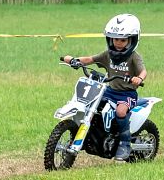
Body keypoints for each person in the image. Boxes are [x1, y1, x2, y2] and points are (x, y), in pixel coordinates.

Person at [62, 13, 147, 161]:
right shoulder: (108, 54)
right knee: (92, 106)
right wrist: (74, 60)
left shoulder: (134, 57)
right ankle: (90, 136)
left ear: (131, 40)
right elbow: (91, 59)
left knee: (121, 111)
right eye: (115, 39)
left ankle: (125, 143)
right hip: (110, 91)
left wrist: (138, 78)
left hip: (127, 94)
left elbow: (143, 71)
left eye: (123, 40)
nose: (118, 43)